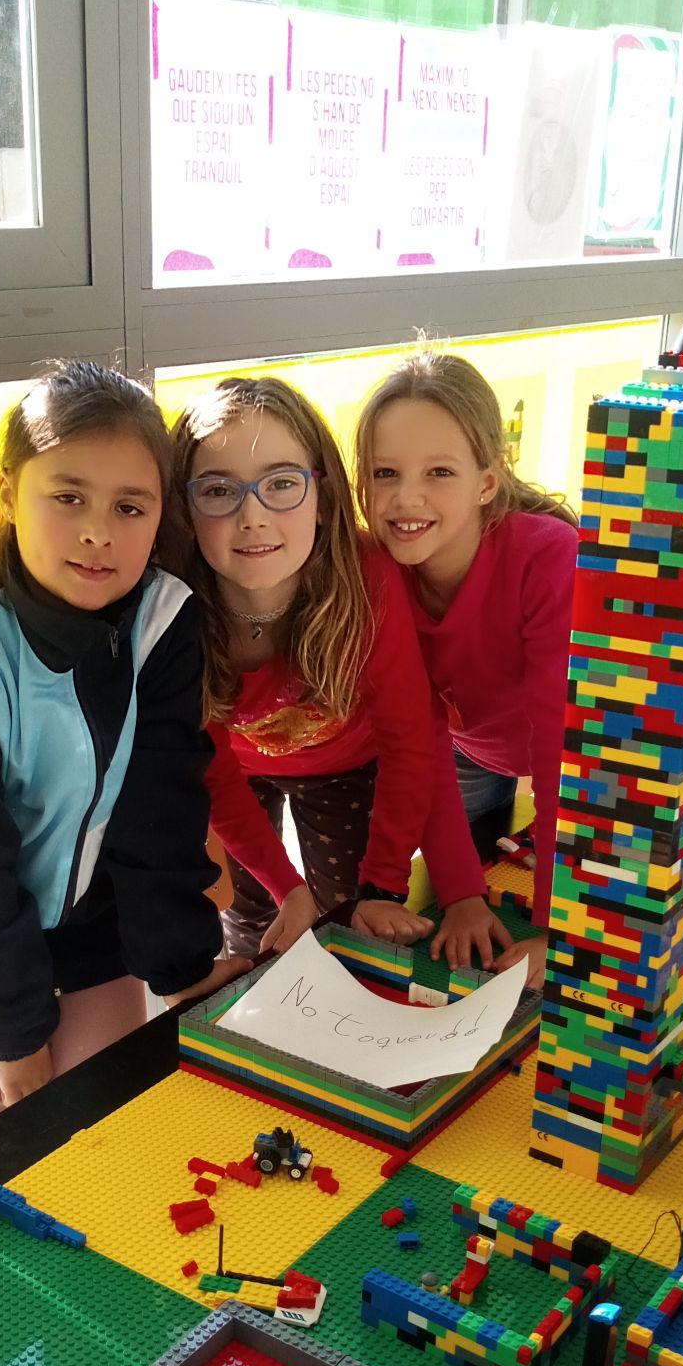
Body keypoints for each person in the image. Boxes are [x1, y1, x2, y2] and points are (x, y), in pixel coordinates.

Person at [0, 359, 241, 1144]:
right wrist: (12, 1035)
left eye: (129, 507)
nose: (99, 532)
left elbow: (161, 811)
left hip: (89, 913)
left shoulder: (164, 622)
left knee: (111, 1129)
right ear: (9, 491)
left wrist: (183, 970)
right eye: (68, 497)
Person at [169, 375, 514, 971]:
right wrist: (286, 887)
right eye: (219, 490)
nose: (252, 517)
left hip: (346, 766)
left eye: (282, 484)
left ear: (323, 498)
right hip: (238, 778)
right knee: (252, 925)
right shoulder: (176, 607)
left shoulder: (367, 580)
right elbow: (214, 773)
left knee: (348, 917)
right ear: (185, 508)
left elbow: (410, 743)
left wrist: (382, 886)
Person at [354, 350, 579, 990]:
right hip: (467, 749)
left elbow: (560, 754)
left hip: (568, 752)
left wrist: (559, 928)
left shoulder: (547, 557)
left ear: (486, 481)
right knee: (467, 872)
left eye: (440, 472)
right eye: (385, 473)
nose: (407, 498)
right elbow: (418, 742)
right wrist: (460, 895)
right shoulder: (375, 575)